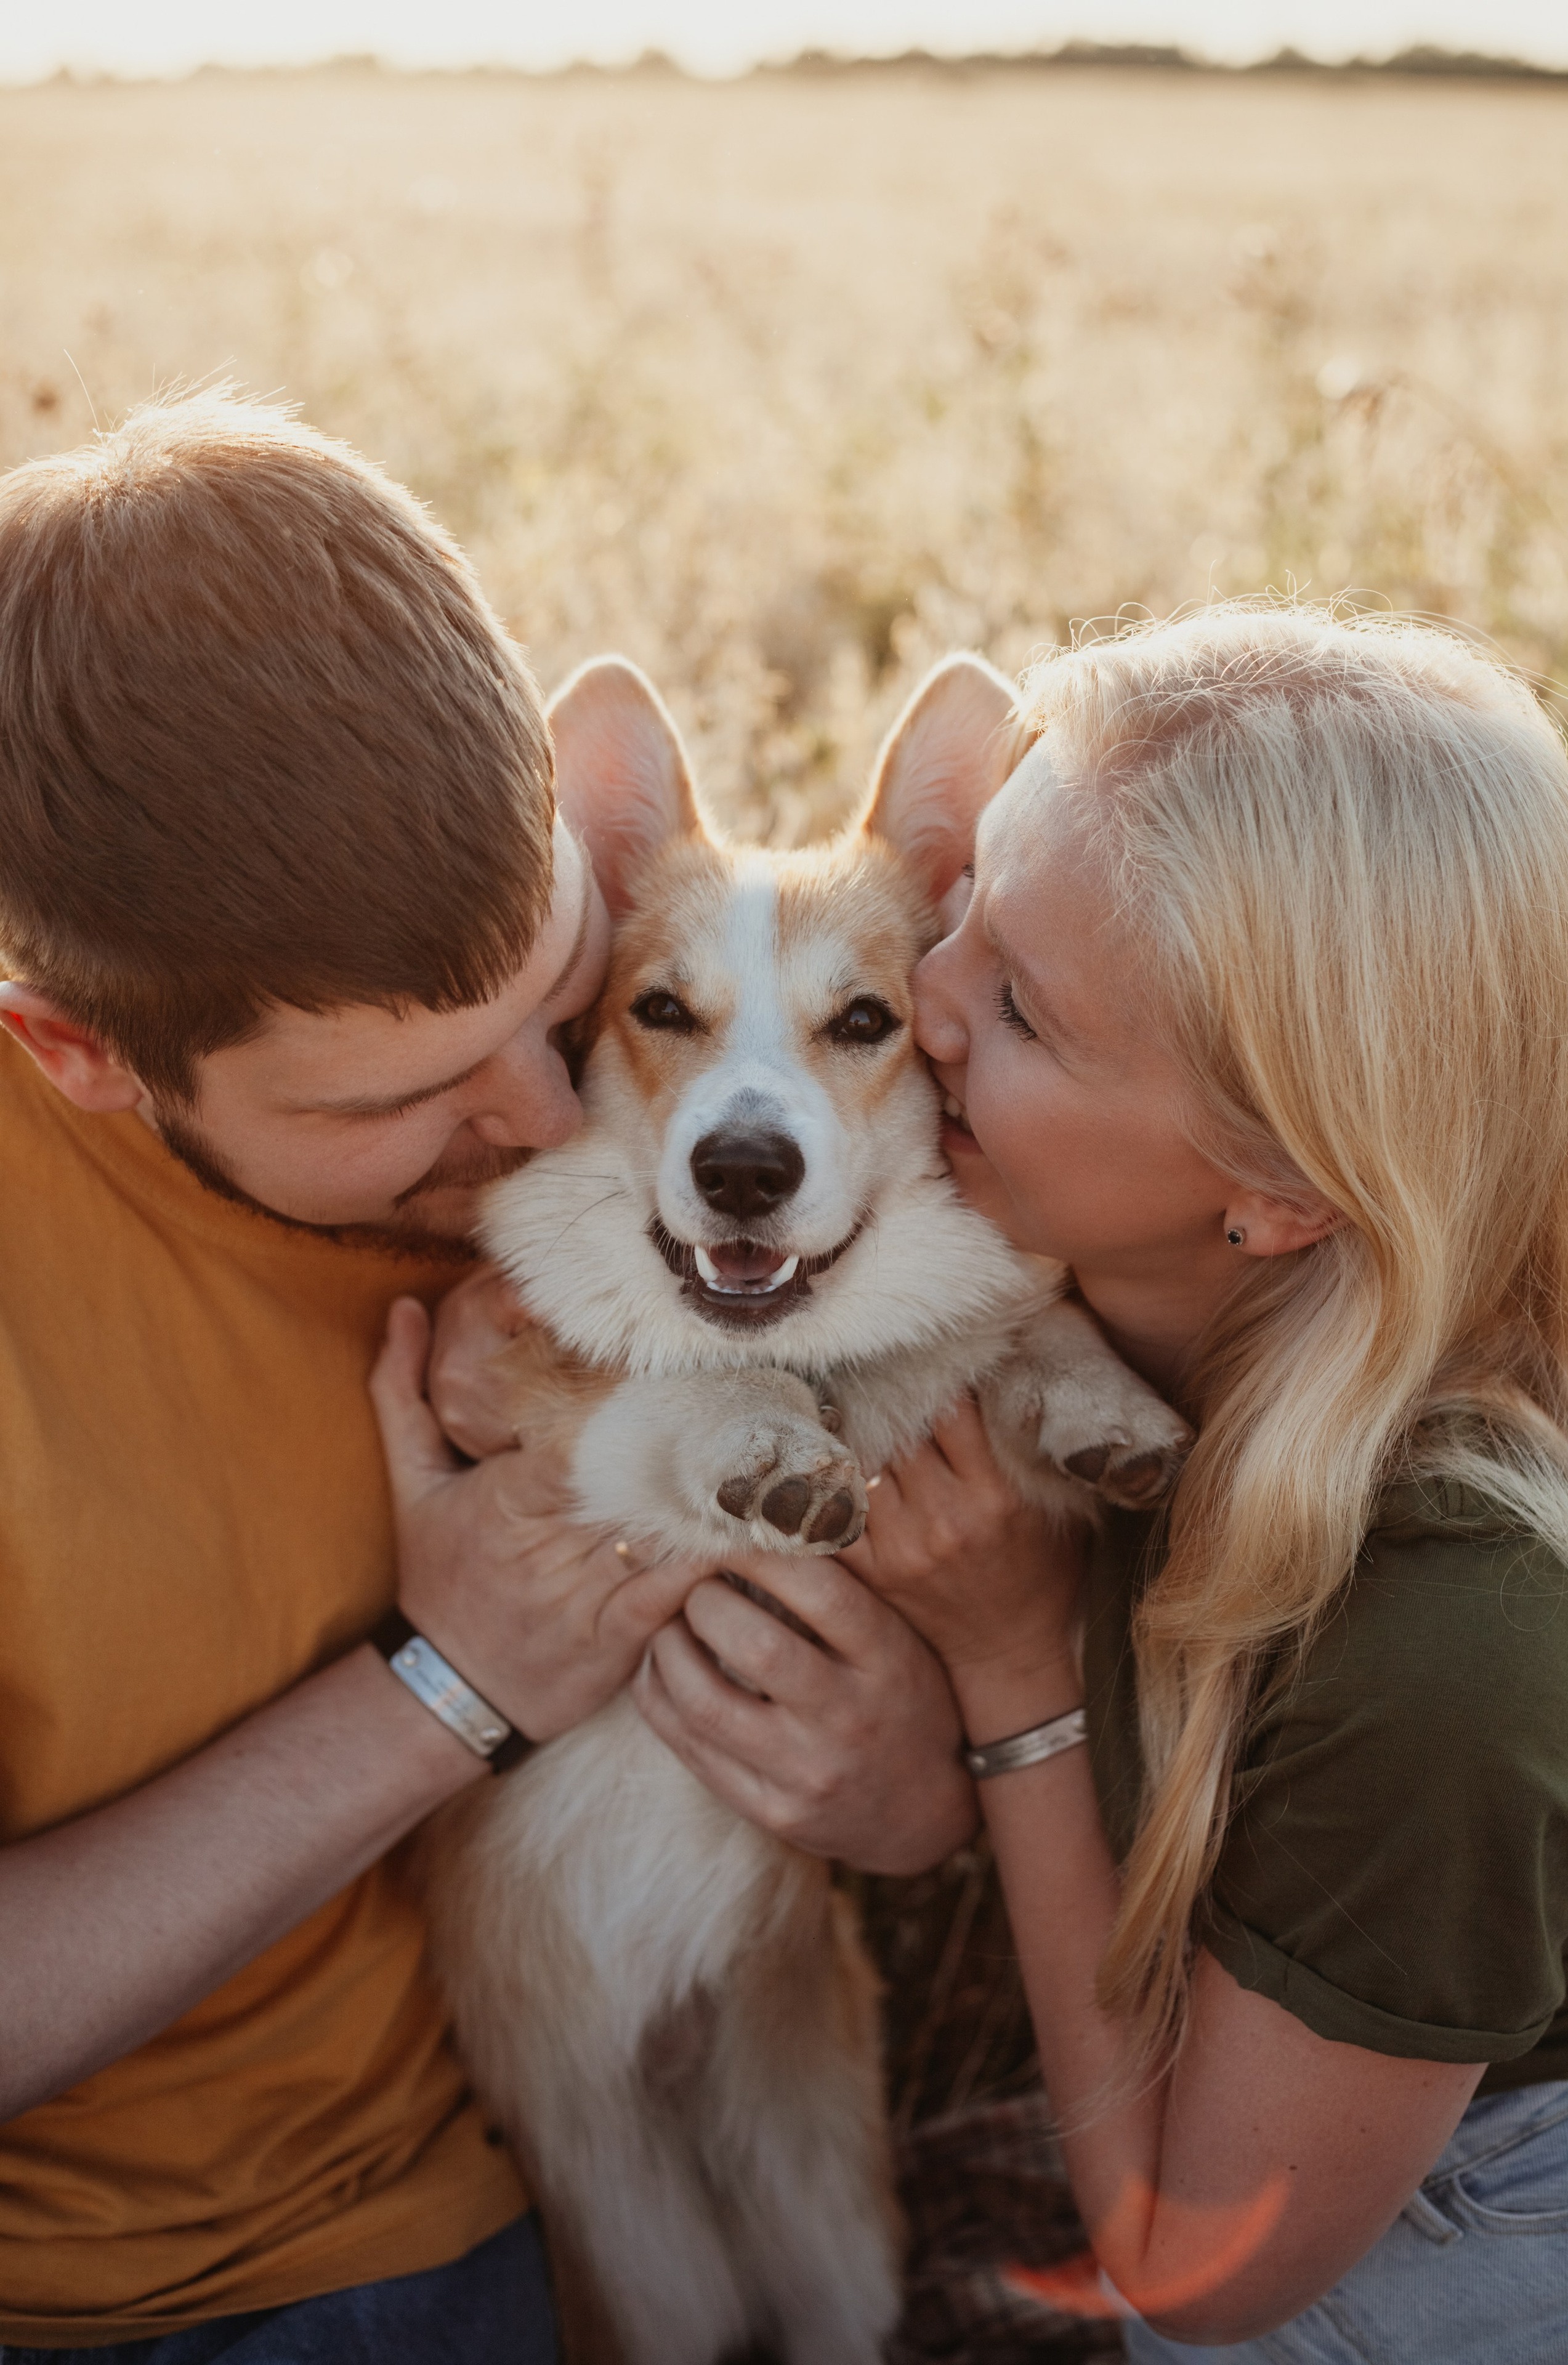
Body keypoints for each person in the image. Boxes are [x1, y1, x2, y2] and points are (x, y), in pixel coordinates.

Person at [0, 386, 966, 2359]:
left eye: (552, 995)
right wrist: (445, 1691)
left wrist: (915, 1787)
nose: (554, 1122)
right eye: (410, 1092)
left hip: (492, 2186)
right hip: (131, 2295)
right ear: (78, 1052)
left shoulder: (645, 1142)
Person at [797, 603, 1568, 2361]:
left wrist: (1011, 1685)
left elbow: (1195, 2271)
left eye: (1021, 1009)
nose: (916, 1001)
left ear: (1279, 1182)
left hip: (1442, 2249)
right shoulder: (1122, 1308)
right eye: (963, 911)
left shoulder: (1453, 1633)